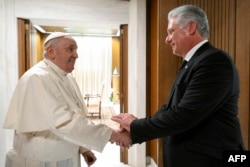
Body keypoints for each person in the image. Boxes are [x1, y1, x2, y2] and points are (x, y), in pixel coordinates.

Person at [112, 4, 244, 167]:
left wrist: (136, 126)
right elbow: (170, 108)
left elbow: (184, 115)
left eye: (171, 31)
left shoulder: (214, 61)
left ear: (190, 27)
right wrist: (137, 129)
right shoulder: (193, 62)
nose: (167, 39)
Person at [3, 32, 131, 167]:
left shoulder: (67, 77)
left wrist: (83, 148)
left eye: (76, 50)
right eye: (70, 49)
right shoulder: (37, 78)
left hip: (66, 155)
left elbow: (76, 115)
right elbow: (63, 121)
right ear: (51, 52)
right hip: (40, 160)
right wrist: (113, 135)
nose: (76, 55)